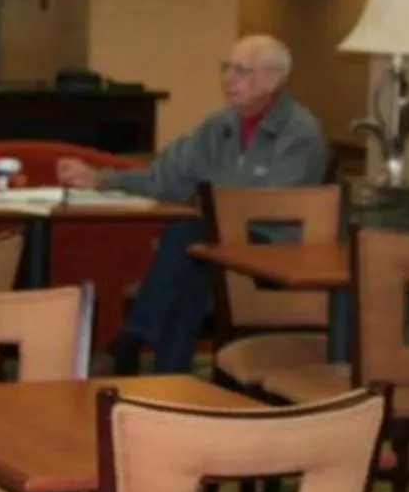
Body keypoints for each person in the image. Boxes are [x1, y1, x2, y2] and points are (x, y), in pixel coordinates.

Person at [60, 34, 332, 371]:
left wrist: (208, 205)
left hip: (272, 253)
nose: (227, 79)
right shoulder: (220, 126)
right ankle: (165, 380)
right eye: (226, 68)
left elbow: (271, 208)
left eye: (241, 71)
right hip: (215, 247)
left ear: (273, 80)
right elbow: (166, 177)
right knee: (191, 267)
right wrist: (102, 178)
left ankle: (130, 343)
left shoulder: (300, 132)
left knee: (189, 236)